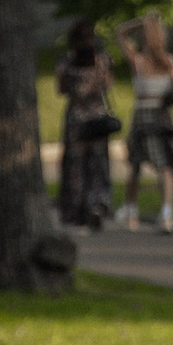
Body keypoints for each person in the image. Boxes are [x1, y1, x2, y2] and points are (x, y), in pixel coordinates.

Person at [120, 14, 173, 234]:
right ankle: (166, 213)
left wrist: (139, 22)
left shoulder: (138, 62)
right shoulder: (171, 62)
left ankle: (131, 212)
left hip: (141, 116)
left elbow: (120, 34)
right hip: (161, 116)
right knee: (166, 166)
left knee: (135, 164)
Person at [57, 15, 122, 230]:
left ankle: (75, 208)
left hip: (76, 117)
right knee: (98, 164)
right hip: (97, 117)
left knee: (75, 165)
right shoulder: (101, 60)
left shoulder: (67, 60)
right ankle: (96, 203)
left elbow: (61, 88)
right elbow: (107, 85)